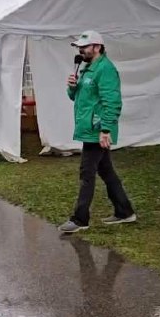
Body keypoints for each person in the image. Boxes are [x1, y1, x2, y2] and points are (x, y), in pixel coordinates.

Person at [58, 30, 137, 234]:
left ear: (97, 47)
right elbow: (78, 98)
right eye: (79, 47)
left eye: (84, 47)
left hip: (98, 130)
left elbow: (112, 101)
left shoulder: (105, 69)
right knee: (106, 171)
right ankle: (125, 211)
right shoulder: (87, 68)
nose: (81, 50)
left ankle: (80, 219)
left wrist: (106, 129)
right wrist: (72, 87)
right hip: (90, 129)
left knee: (87, 172)